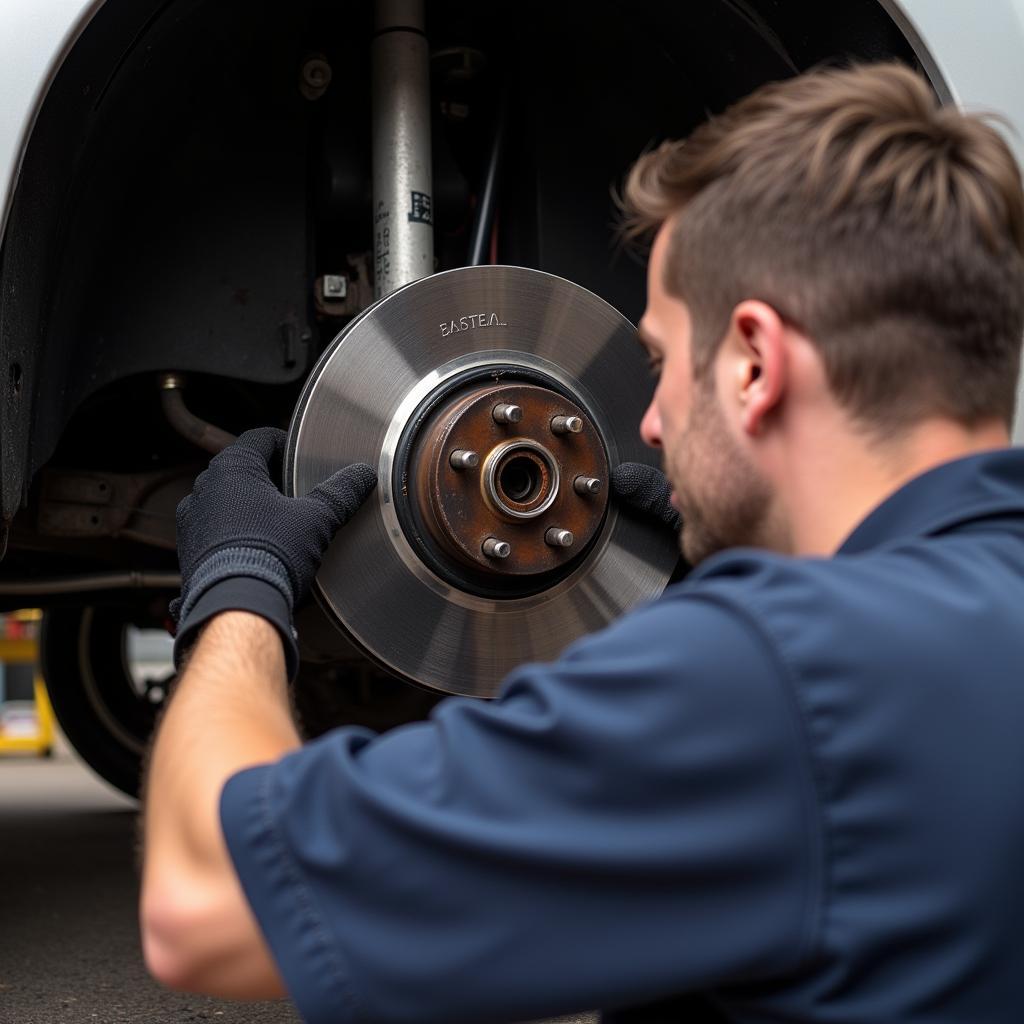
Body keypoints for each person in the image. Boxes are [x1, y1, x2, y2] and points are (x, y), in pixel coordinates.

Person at [140, 62, 1024, 1023]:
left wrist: (238, 585)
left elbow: (207, 897)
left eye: (659, 361)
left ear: (757, 363)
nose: (645, 425)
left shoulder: (772, 680)